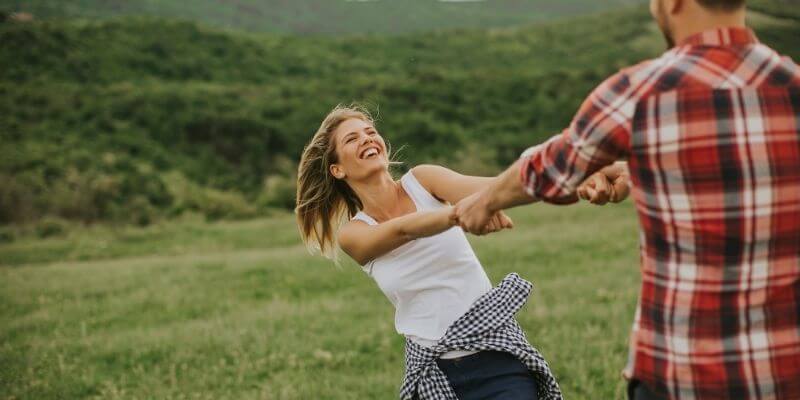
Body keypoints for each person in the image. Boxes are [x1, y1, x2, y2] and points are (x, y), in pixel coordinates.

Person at [455, 0, 800, 399]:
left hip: (680, 372)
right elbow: (745, 171)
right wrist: (638, 169)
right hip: (787, 370)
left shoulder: (640, 91)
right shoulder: (792, 86)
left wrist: (485, 202)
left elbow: (550, 167)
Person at [294, 105, 624, 399]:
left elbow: (497, 187)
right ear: (337, 169)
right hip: (434, 374)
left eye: (370, 132)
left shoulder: (423, 180)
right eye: (352, 139)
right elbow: (403, 230)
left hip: (497, 357)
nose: (367, 139)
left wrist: (585, 175)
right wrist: (462, 214)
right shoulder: (355, 233)